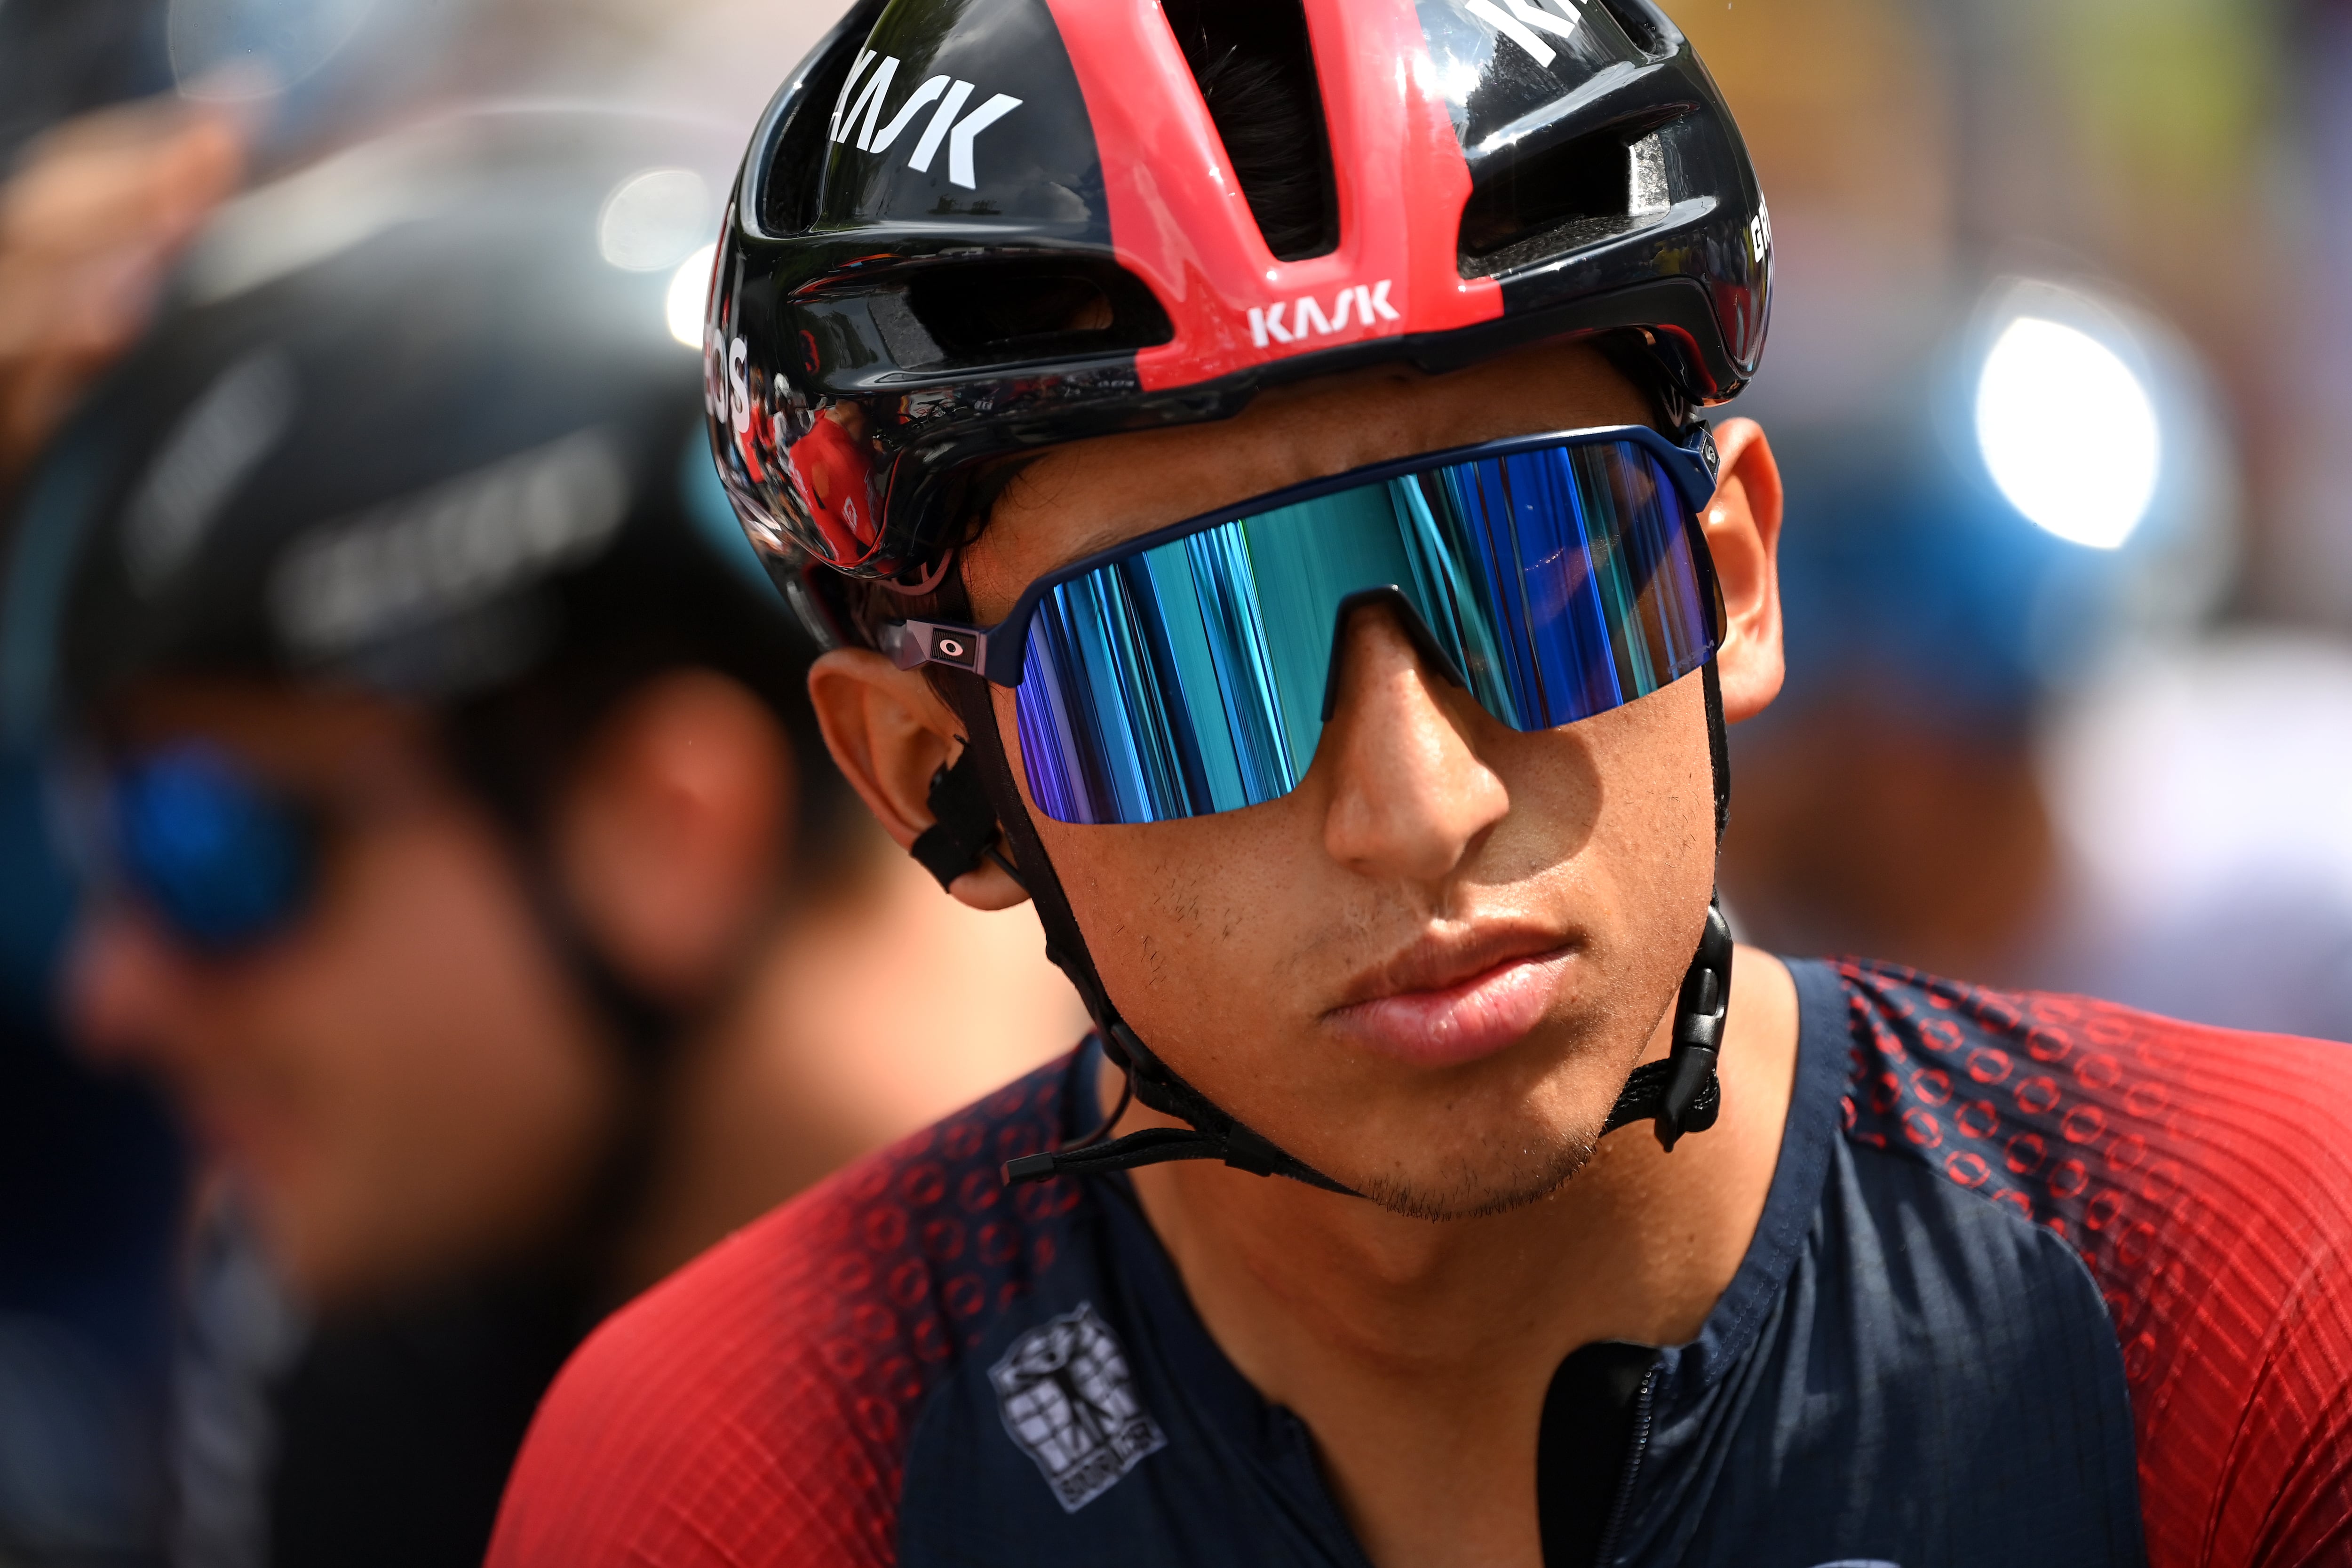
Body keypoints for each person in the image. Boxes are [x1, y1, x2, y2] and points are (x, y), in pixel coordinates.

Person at [488, 3, 2352, 1565]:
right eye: (1185, 664)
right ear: (929, 782)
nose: (1418, 803)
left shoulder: (2273, 1289)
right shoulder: (733, 1485)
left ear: (1729, 580)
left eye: (1537, 570)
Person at [8, 107, 1078, 1568]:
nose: (110, 992)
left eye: (203, 845)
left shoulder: (1249, 1317)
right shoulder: (368, 1355)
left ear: (666, 829)